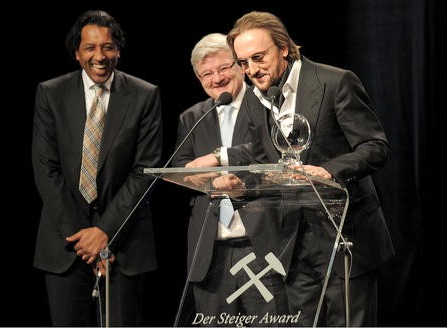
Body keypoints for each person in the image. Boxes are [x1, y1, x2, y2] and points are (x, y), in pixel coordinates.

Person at [187, 11, 394, 327]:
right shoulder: (257, 99)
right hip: (292, 244)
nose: (252, 70)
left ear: (283, 47)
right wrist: (241, 185)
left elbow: (375, 147)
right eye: (243, 63)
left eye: (258, 57)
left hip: (343, 236)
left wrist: (327, 171)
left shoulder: (334, 82)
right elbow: (264, 162)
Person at [31, 10, 162, 326]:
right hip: (65, 247)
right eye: (90, 48)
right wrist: (84, 240)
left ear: (119, 50)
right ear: (77, 53)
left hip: (125, 247)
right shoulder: (51, 93)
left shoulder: (145, 95)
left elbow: (145, 171)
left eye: (108, 47)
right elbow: (46, 169)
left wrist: (106, 233)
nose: (99, 56)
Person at [172, 33, 289, 326]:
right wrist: (213, 183)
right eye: (206, 74)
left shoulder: (265, 103)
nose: (217, 79)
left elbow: (273, 151)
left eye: (223, 68)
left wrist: (221, 159)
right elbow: (181, 168)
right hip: (211, 252)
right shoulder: (192, 117)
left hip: (261, 245)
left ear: (239, 66)